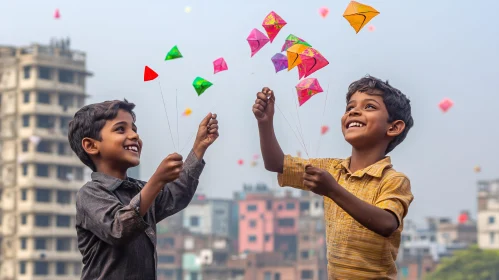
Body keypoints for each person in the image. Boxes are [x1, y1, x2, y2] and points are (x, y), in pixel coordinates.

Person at [252, 75, 414, 279]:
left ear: (393, 127)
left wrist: (332, 190)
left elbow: (386, 224)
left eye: (370, 107)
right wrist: (265, 123)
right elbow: (276, 164)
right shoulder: (332, 169)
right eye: (350, 108)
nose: (354, 111)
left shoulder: (393, 180)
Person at [68, 99, 219, 279]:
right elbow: (119, 228)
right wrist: (157, 181)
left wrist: (199, 148)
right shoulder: (90, 194)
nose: (134, 136)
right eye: (120, 129)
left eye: (134, 129)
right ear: (91, 146)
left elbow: (177, 195)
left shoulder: (140, 189)